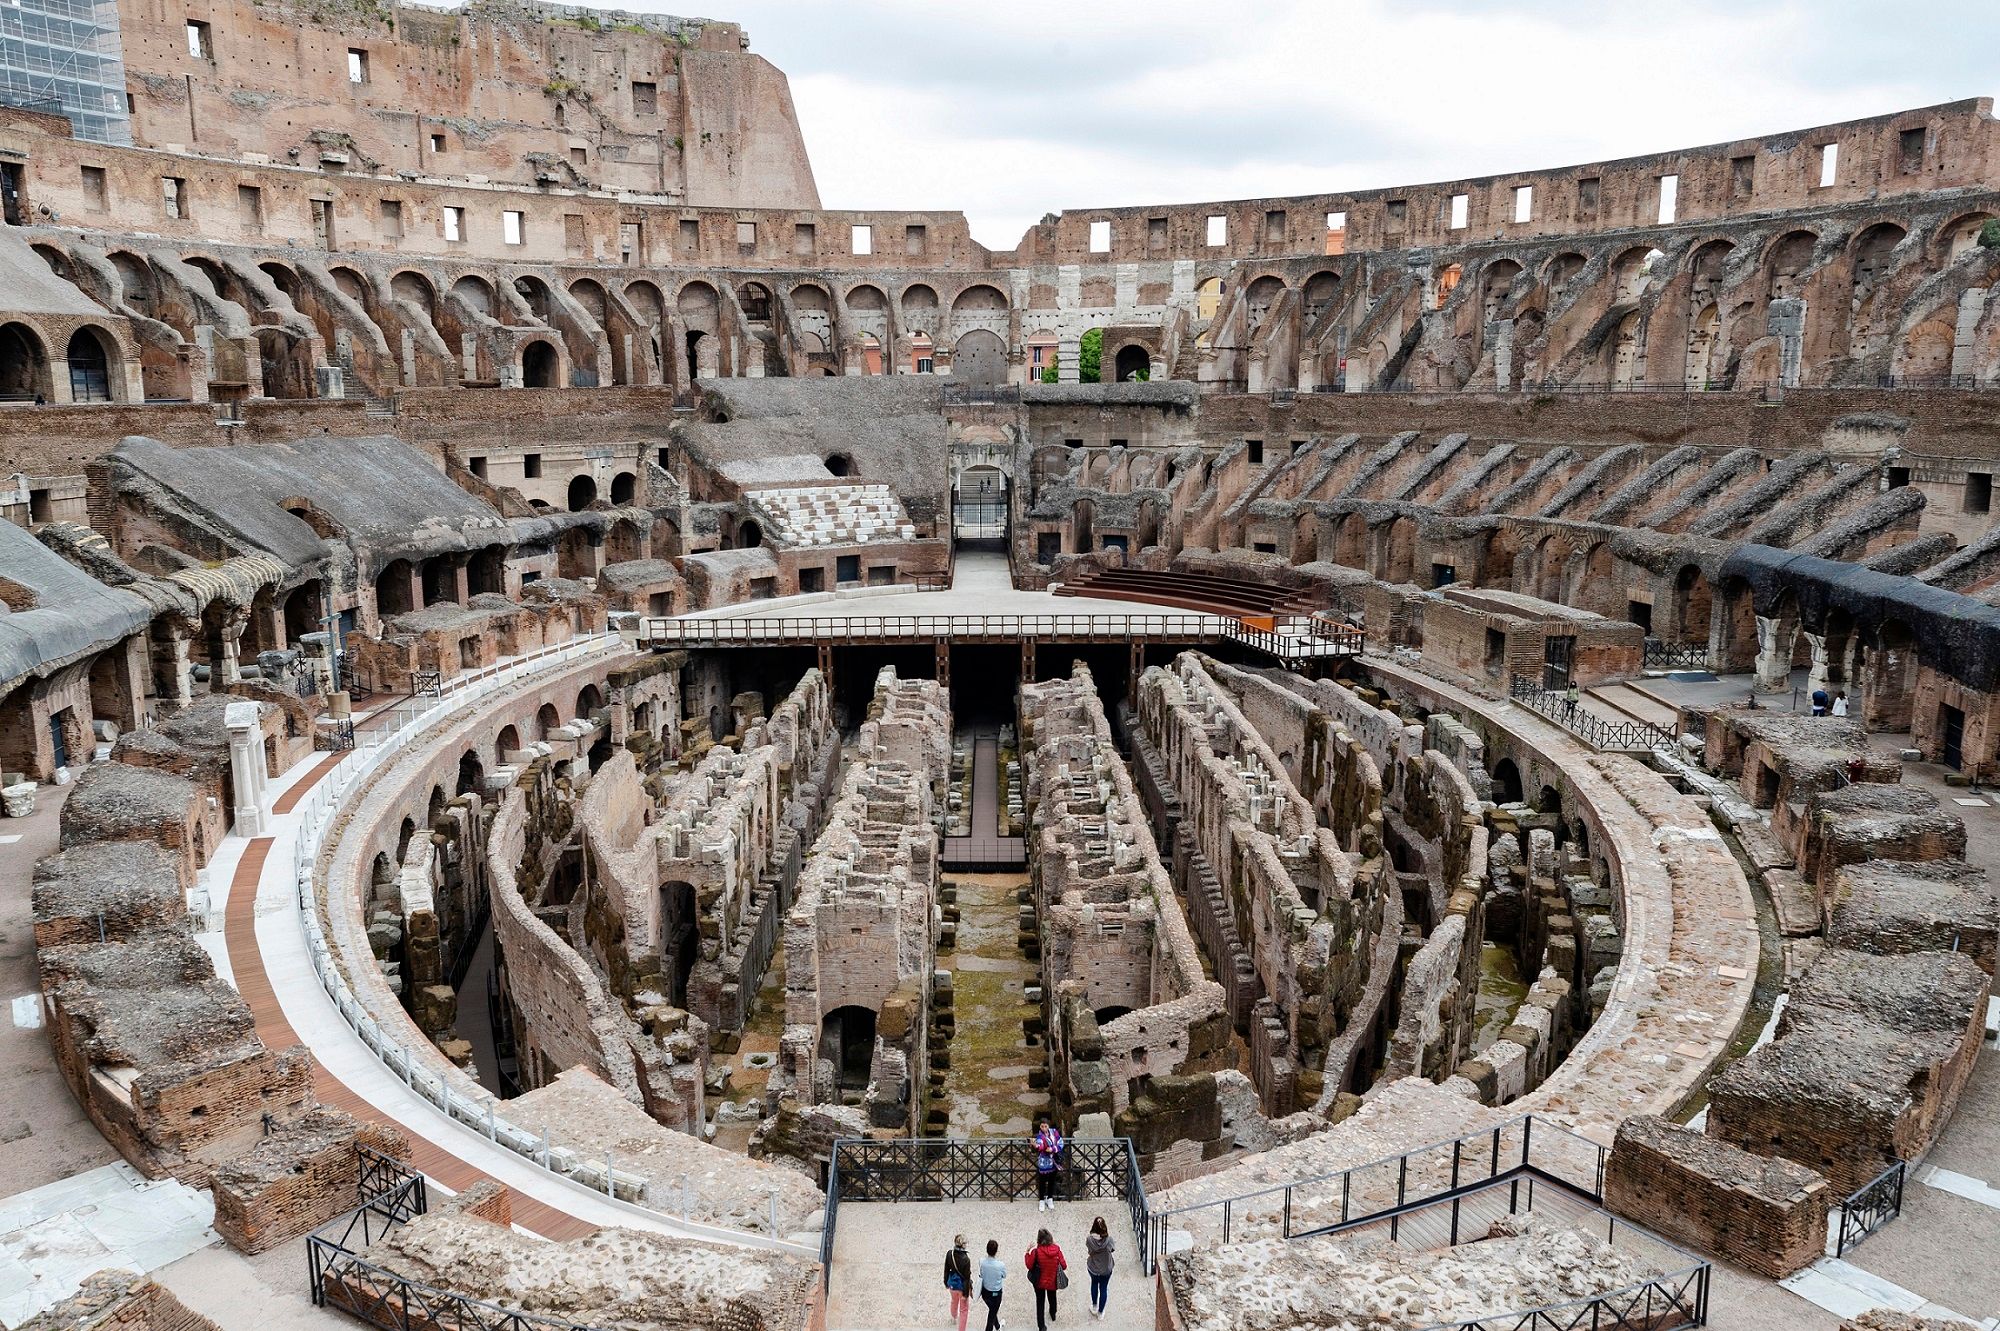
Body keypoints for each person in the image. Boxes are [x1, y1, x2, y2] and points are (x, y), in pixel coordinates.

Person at [1024, 1227, 1067, 1331]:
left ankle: (1041, 1326)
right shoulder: (1056, 1249)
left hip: (1039, 1282)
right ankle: (1053, 1314)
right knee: (1052, 1297)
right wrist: (1056, 1247)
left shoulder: (1036, 1252)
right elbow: (1064, 1266)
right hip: (1052, 1281)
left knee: (1040, 1302)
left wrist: (1027, 1251)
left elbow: (1029, 1266)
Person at [1085, 1215, 1115, 1320]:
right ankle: (1100, 1312)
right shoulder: (1109, 1240)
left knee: (1094, 1284)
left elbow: (1089, 1250)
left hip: (1093, 1268)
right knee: (1103, 1289)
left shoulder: (1089, 1239)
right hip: (1106, 1269)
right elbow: (1112, 1250)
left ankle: (1094, 1306)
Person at [1031, 1117, 1063, 1210]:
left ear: (1048, 1126)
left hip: (1053, 1161)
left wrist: (1053, 1149)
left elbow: (1060, 1142)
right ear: (1040, 1126)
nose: (1044, 1128)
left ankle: (1050, 1198)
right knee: (1042, 1182)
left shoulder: (1054, 1132)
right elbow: (1040, 1146)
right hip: (1044, 1163)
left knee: (1052, 1181)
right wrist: (1036, 1146)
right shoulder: (1040, 1136)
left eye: (1045, 1126)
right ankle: (1041, 1200)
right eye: (1042, 1126)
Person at [944, 1234, 973, 1331]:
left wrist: (946, 1283)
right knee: (964, 1310)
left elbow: (946, 1269)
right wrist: (965, 1294)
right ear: (963, 1245)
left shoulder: (949, 1254)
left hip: (952, 1284)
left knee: (954, 1301)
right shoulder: (966, 1260)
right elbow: (967, 1278)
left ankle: (953, 1316)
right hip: (962, 1287)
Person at [978, 1238, 1007, 1331]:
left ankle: (998, 1326)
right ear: (996, 1251)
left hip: (985, 1293)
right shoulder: (1000, 1265)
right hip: (996, 1293)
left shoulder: (982, 1262)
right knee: (992, 1314)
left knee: (992, 1310)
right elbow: (1004, 1275)